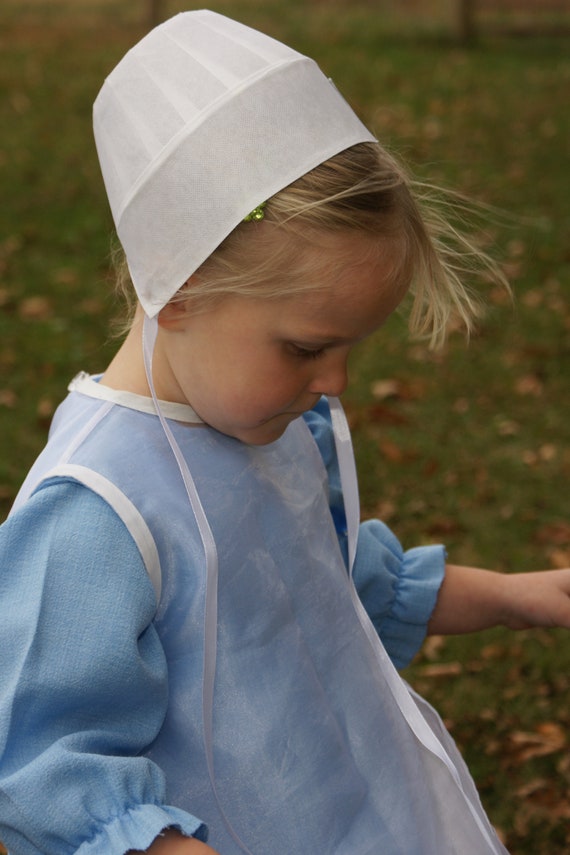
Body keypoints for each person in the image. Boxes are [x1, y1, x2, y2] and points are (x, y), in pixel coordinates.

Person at [0, 10, 568, 855]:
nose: (335, 383)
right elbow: (42, 768)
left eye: (348, 348)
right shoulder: (100, 510)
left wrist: (523, 595)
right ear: (177, 286)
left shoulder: (270, 424)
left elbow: (335, 584)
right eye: (308, 347)